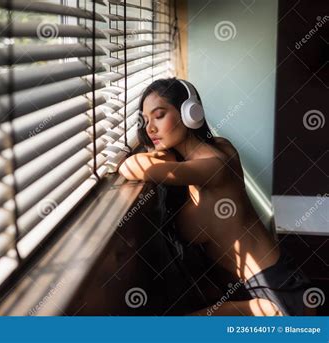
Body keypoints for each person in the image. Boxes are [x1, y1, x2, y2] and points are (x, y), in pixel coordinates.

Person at [118, 78, 313, 316]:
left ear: (191, 113)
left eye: (159, 115)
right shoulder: (220, 147)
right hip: (266, 289)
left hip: (276, 302)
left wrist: (164, 156)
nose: (149, 128)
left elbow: (130, 168)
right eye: (146, 120)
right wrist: (166, 154)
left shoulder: (214, 166)